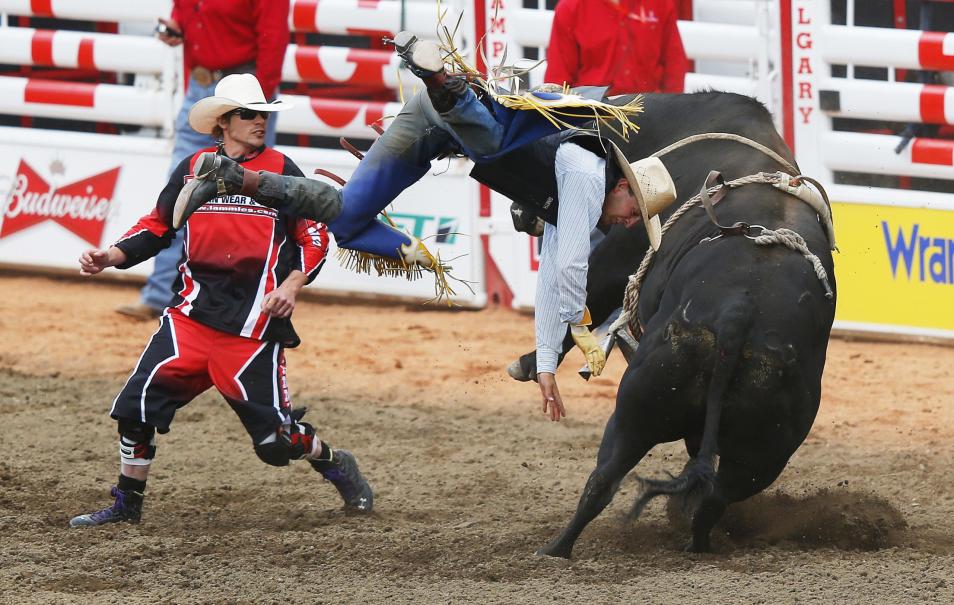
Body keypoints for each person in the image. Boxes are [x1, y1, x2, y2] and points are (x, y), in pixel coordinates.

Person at [172, 35, 675, 418]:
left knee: (346, 218)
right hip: (464, 116)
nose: (630, 222)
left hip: (428, 120)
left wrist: (547, 363)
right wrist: (580, 328)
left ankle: (234, 177)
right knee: (494, 142)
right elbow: (569, 267)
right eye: (637, 210)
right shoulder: (588, 172)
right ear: (623, 185)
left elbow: (551, 277)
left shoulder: (573, 197)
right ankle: (443, 81)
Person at [70, 74, 372, 527]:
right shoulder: (193, 167)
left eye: (263, 114)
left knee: (276, 443)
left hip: (252, 328)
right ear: (223, 123)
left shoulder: (281, 170)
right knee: (135, 409)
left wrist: (291, 286)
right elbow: (158, 225)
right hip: (189, 318)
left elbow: (312, 236)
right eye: (249, 114)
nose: (260, 122)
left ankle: (332, 459)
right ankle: (127, 505)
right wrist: (110, 256)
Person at [116, 0, 290, 321]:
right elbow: (190, 16)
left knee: (242, 195)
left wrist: (254, 107)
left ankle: (225, 295)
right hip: (208, 85)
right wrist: (176, 28)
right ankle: (162, 294)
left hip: (235, 88)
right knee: (184, 191)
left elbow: (273, 37)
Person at [544, 0, 687, 95]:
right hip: (592, 116)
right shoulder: (571, 8)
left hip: (649, 114)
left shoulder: (660, 4)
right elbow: (557, 82)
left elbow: (675, 64)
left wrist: (668, 112)